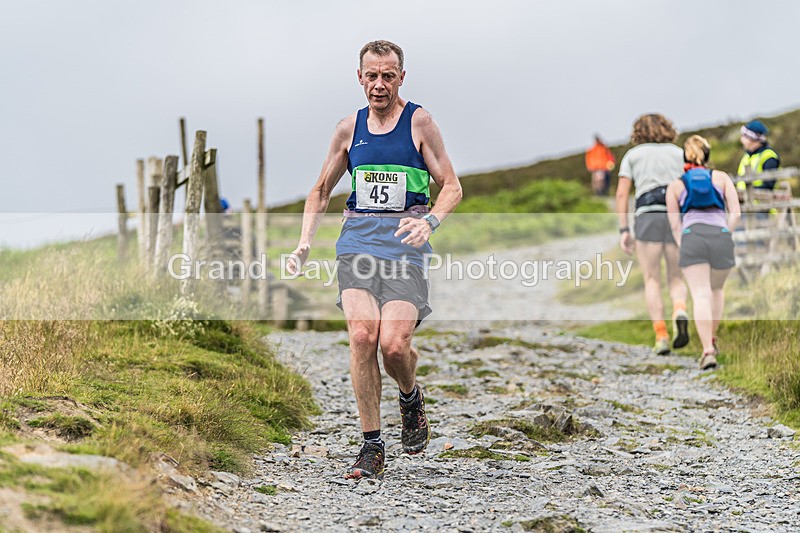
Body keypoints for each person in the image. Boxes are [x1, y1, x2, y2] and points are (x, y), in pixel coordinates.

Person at [286, 40, 462, 479]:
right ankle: (371, 445)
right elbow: (320, 190)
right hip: (357, 247)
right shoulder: (349, 129)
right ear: (359, 77)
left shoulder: (420, 122)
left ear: (402, 76)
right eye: (371, 76)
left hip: (406, 250)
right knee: (364, 336)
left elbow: (452, 186)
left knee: (394, 346)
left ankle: (409, 395)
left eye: (388, 76)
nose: (379, 85)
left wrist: (431, 223)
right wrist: (305, 241)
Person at [615, 113, 690, 355]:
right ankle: (679, 309)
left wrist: (624, 229)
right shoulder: (678, 153)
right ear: (667, 128)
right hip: (674, 215)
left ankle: (661, 336)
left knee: (652, 279)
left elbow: (621, 194)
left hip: (647, 216)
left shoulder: (633, 156)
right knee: (676, 276)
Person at [666, 135, 741, 369]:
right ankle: (713, 338)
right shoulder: (721, 178)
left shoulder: (676, 185)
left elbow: (674, 224)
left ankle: (707, 351)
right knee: (717, 289)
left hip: (692, 237)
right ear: (707, 155)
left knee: (700, 294)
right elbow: (736, 213)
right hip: (720, 235)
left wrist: (683, 243)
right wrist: (725, 233)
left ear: (684, 157)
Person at [737, 119, 780, 190]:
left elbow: (768, 186)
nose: (741, 140)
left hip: (761, 201)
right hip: (744, 200)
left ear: (752, 139)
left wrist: (748, 193)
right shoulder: (746, 156)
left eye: (744, 136)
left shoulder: (769, 157)